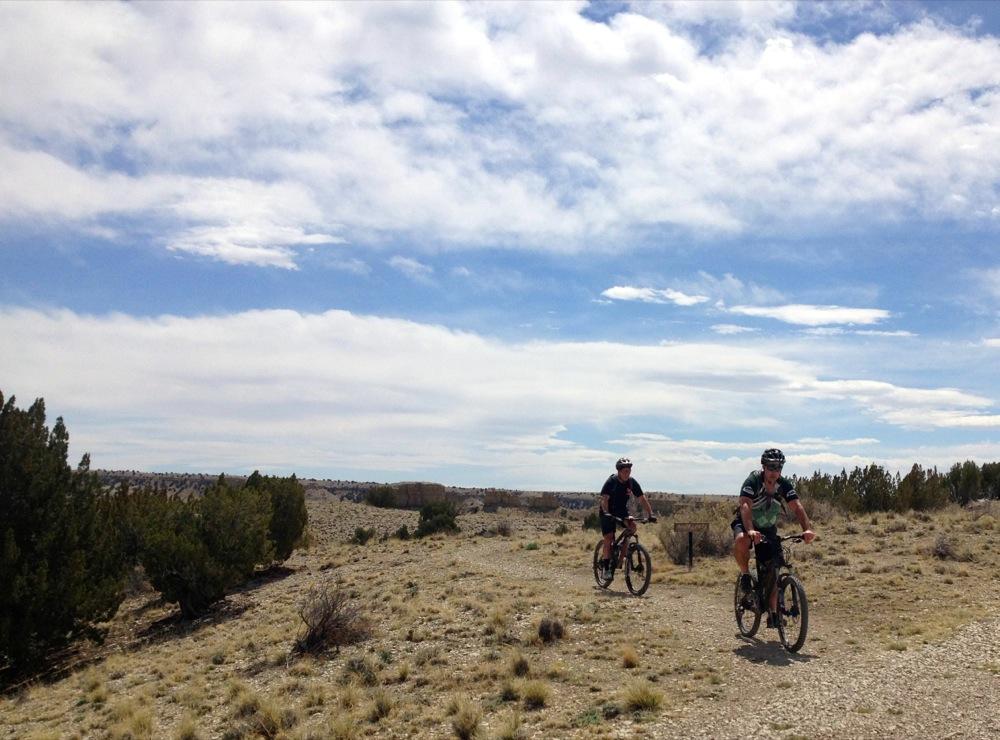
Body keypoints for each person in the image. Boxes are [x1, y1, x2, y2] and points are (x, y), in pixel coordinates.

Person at [733, 448, 815, 627]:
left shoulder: (783, 484)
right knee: (741, 540)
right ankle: (746, 575)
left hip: (768, 529)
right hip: (747, 524)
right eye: (771, 467)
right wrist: (750, 530)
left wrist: (807, 529)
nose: (774, 471)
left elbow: (797, 506)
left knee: (774, 567)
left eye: (778, 468)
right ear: (763, 467)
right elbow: (745, 505)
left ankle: (773, 613)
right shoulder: (753, 480)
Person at [599, 457, 656, 580]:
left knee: (632, 527)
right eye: (625, 471)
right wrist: (607, 513)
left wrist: (650, 514)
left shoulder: (631, 482)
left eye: (629, 470)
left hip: (621, 510)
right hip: (607, 510)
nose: (627, 473)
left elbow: (641, 498)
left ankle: (620, 559)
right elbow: (604, 500)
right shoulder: (611, 481)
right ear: (619, 471)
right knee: (608, 537)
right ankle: (606, 568)